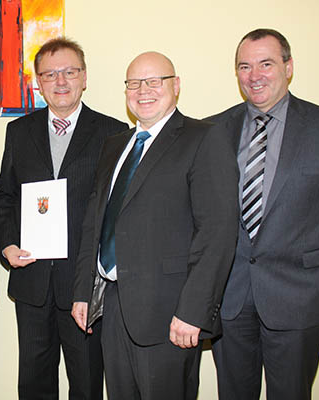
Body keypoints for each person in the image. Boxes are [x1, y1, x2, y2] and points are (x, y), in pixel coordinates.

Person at [72, 52, 238, 400]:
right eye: (134, 83)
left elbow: (217, 233)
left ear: (175, 86)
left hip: (171, 314)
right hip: (113, 309)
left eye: (153, 81)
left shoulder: (203, 138)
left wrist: (194, 311)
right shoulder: (115, 145)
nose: (142, 90)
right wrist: (82, 292)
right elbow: (94, 222)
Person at [0, 37, 128, 399]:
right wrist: (6, 244)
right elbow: (5, 196)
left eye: (69, 72)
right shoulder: (19, 131)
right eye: (50, 74)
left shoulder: (114, 132)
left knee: (85, 382)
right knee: (34, 382)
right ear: (37, 82)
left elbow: (119, 209)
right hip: (32, 280)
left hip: (83, 285)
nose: (60, 81)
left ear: (84, 77)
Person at [208, 28, 319, 400]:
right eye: (244, 66)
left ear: (288, 67)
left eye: (266, 63)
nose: (254, 75)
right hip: (230, 296)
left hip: (300, 295)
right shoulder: (212, 130)